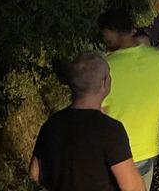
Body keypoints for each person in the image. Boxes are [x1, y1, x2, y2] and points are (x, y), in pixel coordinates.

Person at [29, 52, 145, 191]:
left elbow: (34, 174)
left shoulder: (51, 124)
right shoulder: (110, 130)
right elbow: (132, 187)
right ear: (104, 82)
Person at [100, 9, 159, 190]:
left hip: (112, 153)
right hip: (147, 149)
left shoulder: (103, 66)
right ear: (132, 30)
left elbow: (98, 115)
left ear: (111, 33)